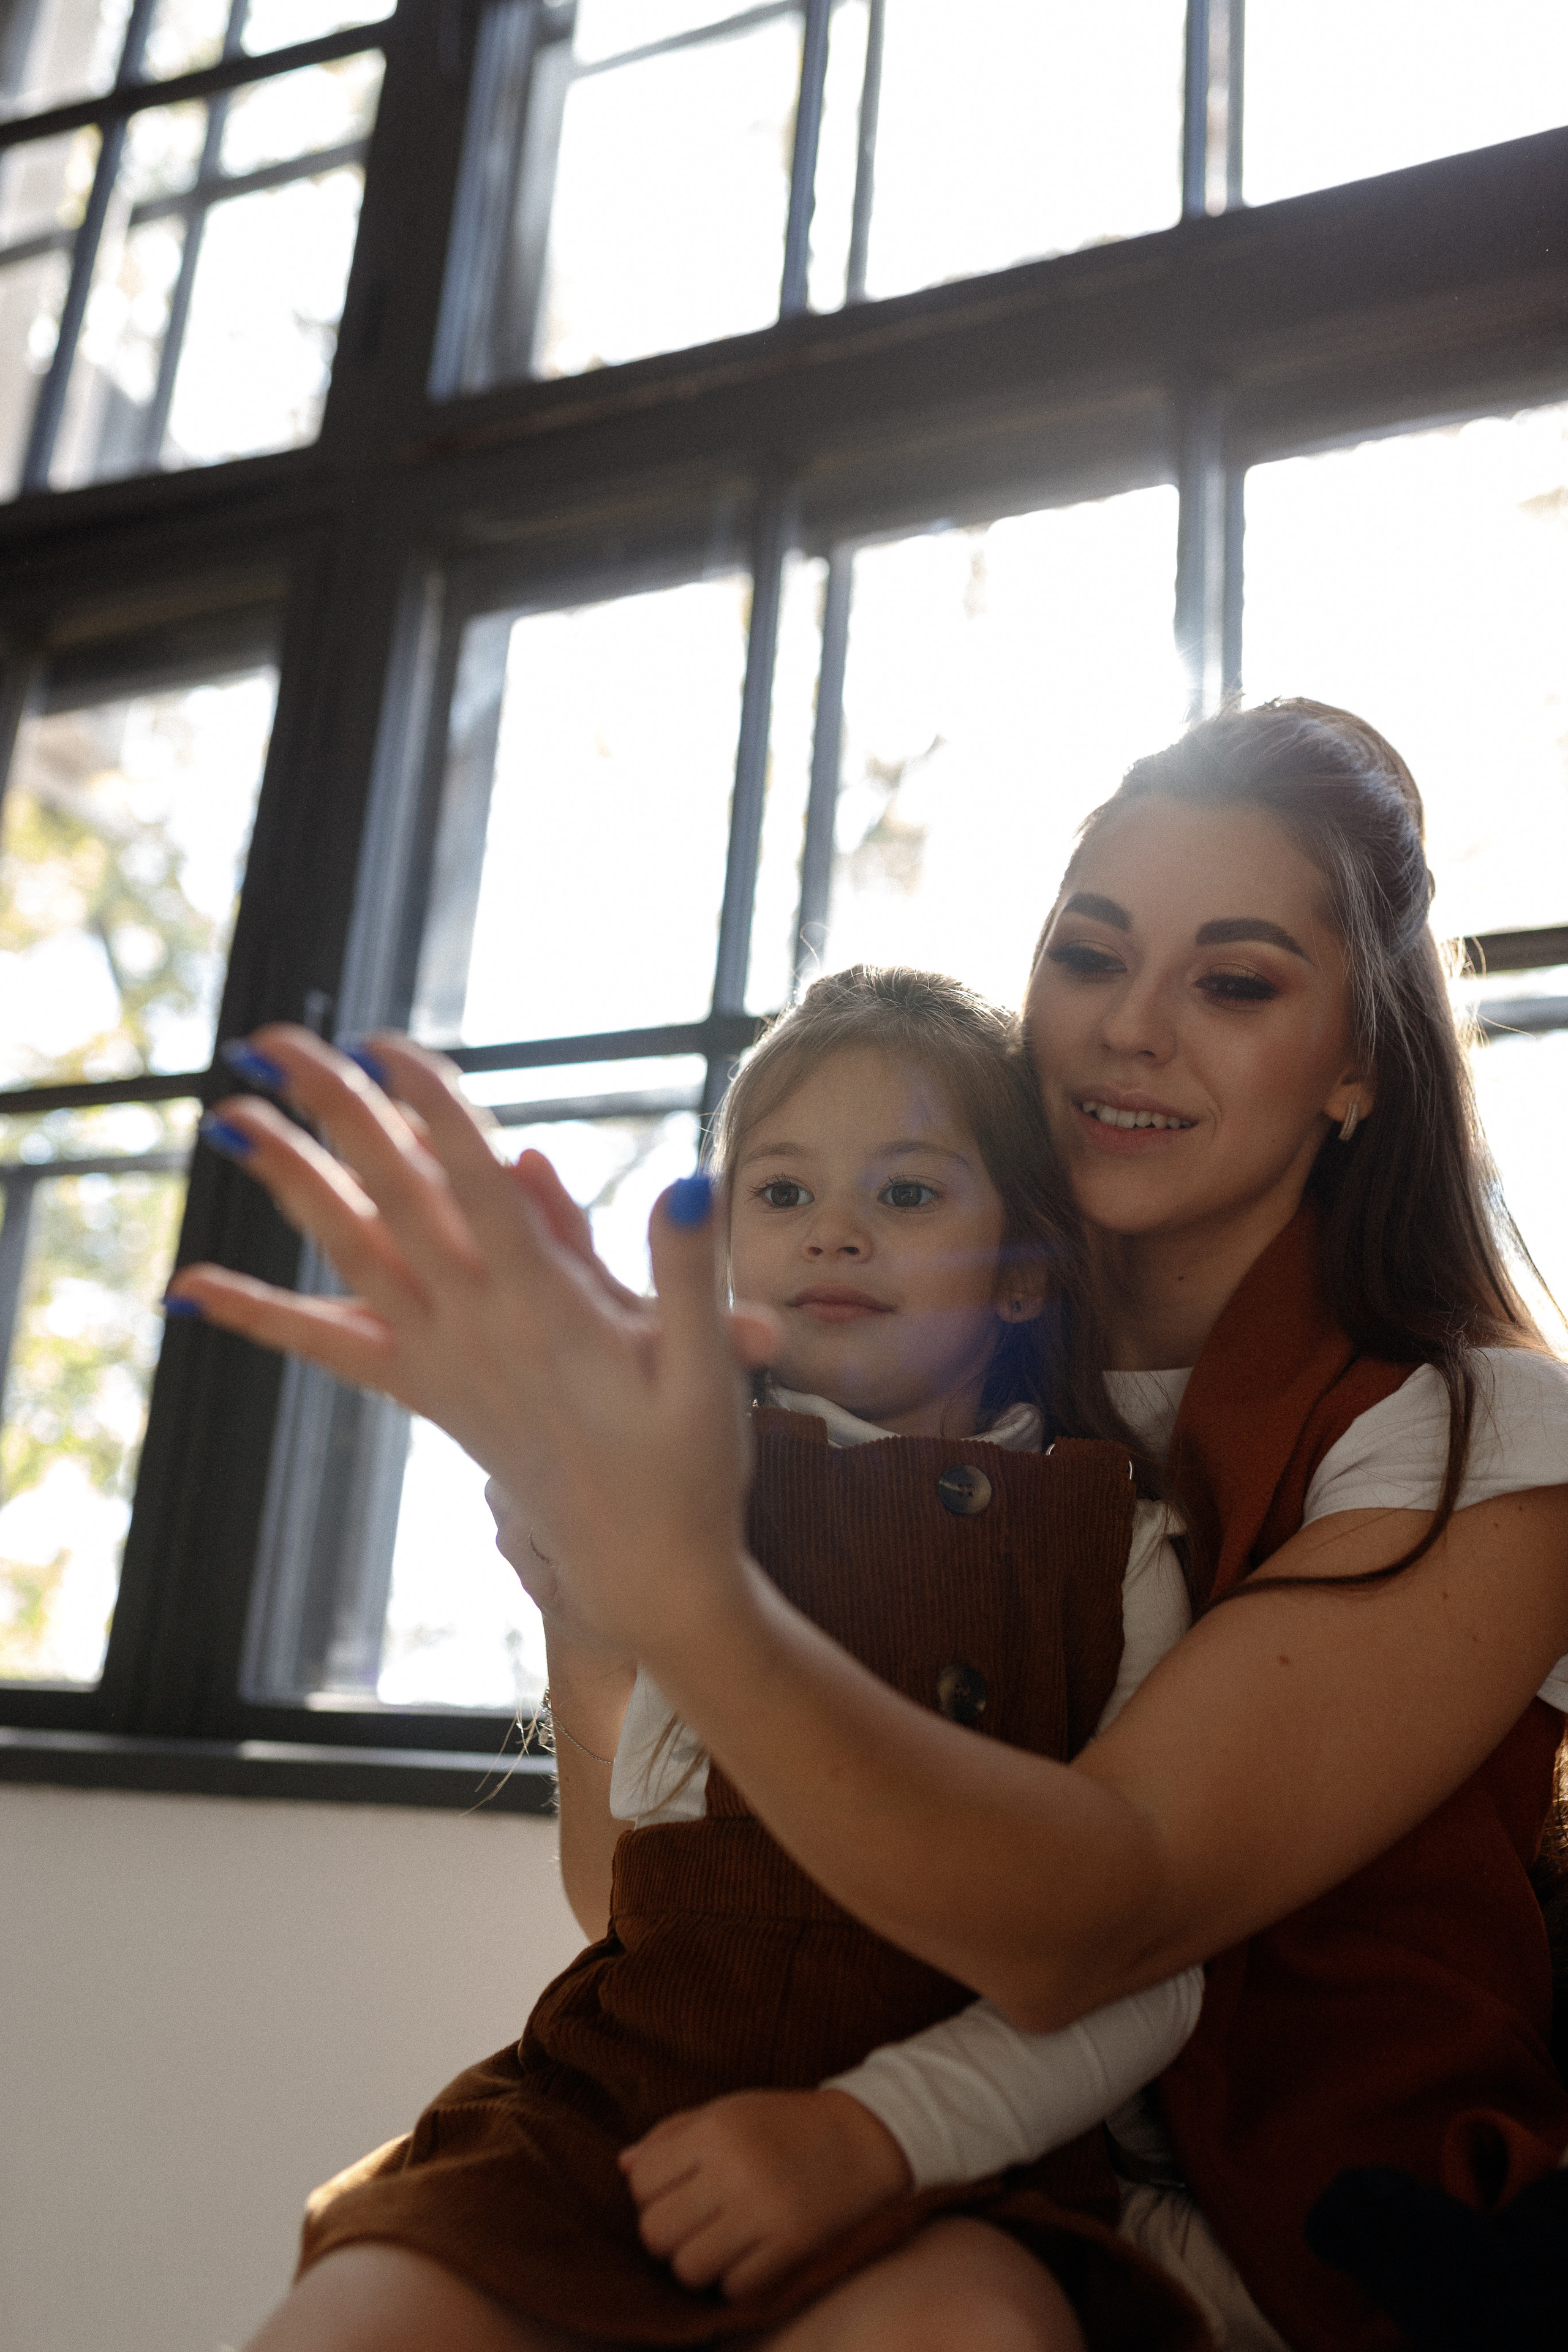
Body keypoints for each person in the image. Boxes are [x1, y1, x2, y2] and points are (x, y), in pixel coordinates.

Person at [170, 699, 1568, 2352]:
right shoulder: (911, 1393)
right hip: (798, 2127)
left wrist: (682, 1586)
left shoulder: (1480, 1434)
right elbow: (645, 1912)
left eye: (1237, 981)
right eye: (1089, 955)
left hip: (1267, 2222)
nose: (1130, 1028)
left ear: (1356, 1064)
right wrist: (592, 1587)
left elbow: (1104, 1921)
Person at [222, 967, 1210, 2351]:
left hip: (940, 2172)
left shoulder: (1114, 1547)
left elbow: (1147, 1969)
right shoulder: (684, 1487)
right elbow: (619, 1905)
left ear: (1026, 1274)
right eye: (782, 1194)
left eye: (909, 1195)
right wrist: (581, 1611)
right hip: (604, 2131)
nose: (836, 1236)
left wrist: (871, 2136)